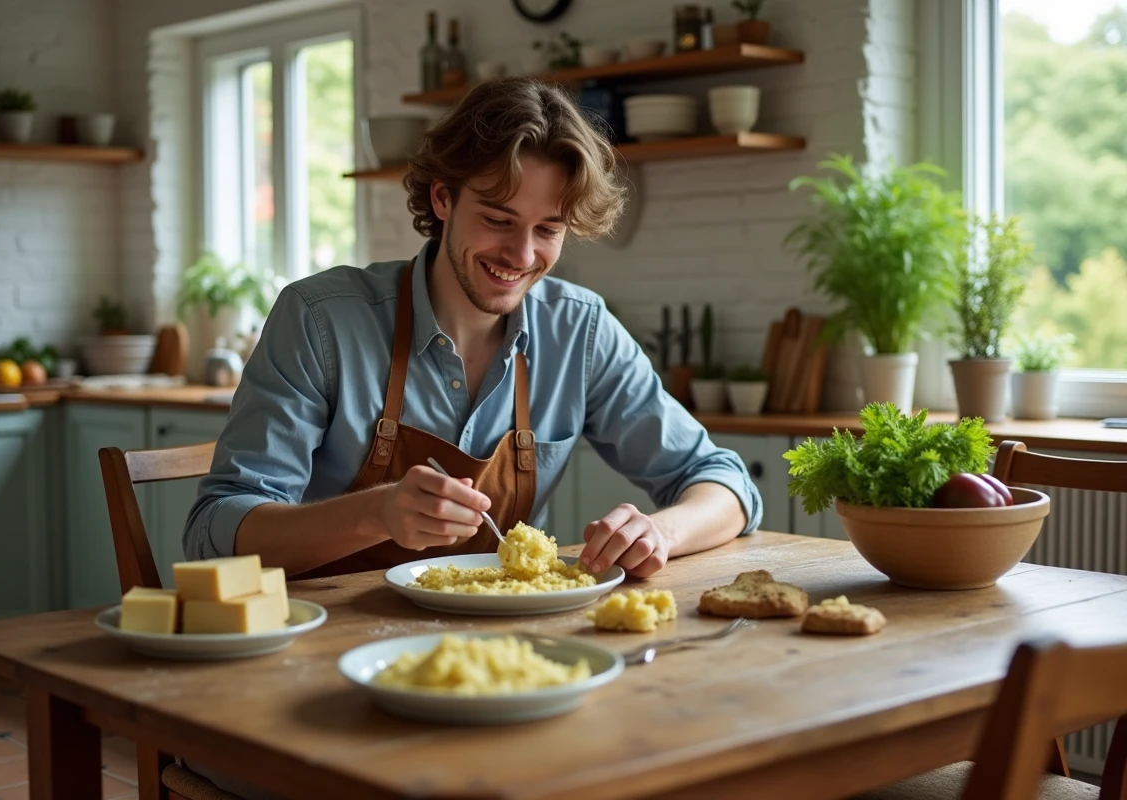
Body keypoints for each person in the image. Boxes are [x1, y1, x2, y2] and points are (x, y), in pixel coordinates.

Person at [184, 77, 762, 583]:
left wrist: (659, 532)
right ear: (443, 198)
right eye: (497, 220)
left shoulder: (579, 331)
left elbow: (724, 484)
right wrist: (373, 514)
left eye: (548, 230)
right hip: (319, 652)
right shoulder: (320, 319)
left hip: (494, 653)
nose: (521, 253)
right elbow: (215, 529)